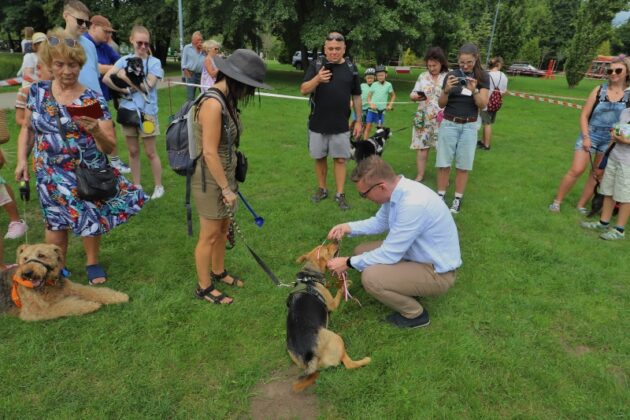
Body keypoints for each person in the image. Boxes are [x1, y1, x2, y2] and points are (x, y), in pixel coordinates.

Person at [14, 28, 148, 285]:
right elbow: (27, 129)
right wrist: (22, 160)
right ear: (50, 65)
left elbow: (110, 147)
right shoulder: (37, 92)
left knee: (88, 218)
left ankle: (92, 262)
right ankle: (56, 268)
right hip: (49, 173)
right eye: (60, 64)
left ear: (81, 64)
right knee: (54, 223)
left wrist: (96, 129)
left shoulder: (92, 98)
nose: (67, 71)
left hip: (83, 171)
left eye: (73, 64)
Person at [326, 156, 461, 329]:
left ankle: (415, 314)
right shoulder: (398, 191)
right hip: (417, 255)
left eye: (363, 194)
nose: (364, 198)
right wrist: (347, 227)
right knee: (361, 250)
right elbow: (379, 222)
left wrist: (347, 263)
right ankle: (406, 286)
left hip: (438, 272)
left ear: (381, 186)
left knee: (371, 278)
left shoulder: (413, 204)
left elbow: (390, 253)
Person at [192, 49, 272, 304]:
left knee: (223, 227)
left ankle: (218, 271)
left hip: (225, 172)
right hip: (210, 176)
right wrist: (226, 189)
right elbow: (209, 152)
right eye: (249, 87)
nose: (250, 93)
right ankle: (204, 287)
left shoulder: (227, 99)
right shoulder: (213, 104)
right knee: (210, 233)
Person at [549, 56, 630, 214]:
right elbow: (584, 115)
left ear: (627, 72)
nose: (613, 73)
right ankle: (556, 202)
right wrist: (586, 137)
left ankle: (581, 205)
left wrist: (621, 136)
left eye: (618, 70)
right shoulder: (599, 90)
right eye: (610, 70)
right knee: (577, 169)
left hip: (611, 140)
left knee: (597, 174)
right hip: (591, 134)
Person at [300, 32, 363, 211]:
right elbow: (303, 89)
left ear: (344, 49)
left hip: (341, 124)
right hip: (318, 123)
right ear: (325, 49)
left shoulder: (351, 68)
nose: (334, 52)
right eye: (330, 49)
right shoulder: (317, 65)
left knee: (340, 160)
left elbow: (357, 96)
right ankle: (322, 189)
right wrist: (318, 79)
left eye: (337, 49)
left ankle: (340, 194)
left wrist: (359, 120)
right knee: (319, 158)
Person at [103, 25, 165, 199]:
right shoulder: (124, 60)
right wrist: (123, 91)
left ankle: (159, 186)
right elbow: (107, 78)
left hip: (147, 113)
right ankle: (136, 185)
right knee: (132, 151)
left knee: (151, 152)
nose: (143, 47)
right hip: (128, 112)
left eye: (146, 43)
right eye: (140, 43)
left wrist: (124, 79)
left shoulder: (154, 62)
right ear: (131, 40)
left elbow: (147, 87)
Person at [436, 43, 489, 214]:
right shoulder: (451, 75)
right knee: (444, 162)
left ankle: (457, 199)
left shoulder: (483, 76)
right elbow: (441, 103)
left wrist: (474, 91)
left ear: (476, 58)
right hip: (449, 123)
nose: (465, 66)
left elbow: (483, 104)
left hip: (469, 125)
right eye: (461, 62)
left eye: (469, 62)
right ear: (457, 60)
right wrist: (446, 90)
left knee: (463, 165)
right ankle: (440, 196)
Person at [85, 14, 131, 174]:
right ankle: (110, 163)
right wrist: (112, 68)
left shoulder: (104, 46)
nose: (109, 35)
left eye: (110, 32)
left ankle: (108, 163)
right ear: (93, 27)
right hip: (87, 97)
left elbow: (123, 63)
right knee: (103, 130)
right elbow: (94, 68)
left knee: (105, 129)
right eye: (106, 31)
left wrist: (108, 68)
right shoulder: (84, 43)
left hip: (102, 96)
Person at [581, 107, 630, 240]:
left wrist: (626, 141)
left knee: (625, 197)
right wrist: (604, 158)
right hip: (614, 156)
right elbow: (617, 133)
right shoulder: (626, 112)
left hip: (627, 163)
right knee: (608, 191)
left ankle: (619, 230)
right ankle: (603, 222)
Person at [410, 47, 449, 182]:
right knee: (422, 147)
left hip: (442, 119)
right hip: (423, 117)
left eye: (434, 65)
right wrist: (415, 96)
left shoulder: (448, 76)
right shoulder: (422, 76)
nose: (431, 68)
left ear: (441, 63)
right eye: (429, 65)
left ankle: (444, 177)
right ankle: (420, 175)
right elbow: (413, 93)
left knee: (442, 149)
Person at [62, 0, 102, 95]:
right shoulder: (55, 44)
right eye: (80, 21)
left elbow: (95, 75)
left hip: (96, 100)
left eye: (87, 23)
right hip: (71, 102)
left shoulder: (90, 44)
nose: (84, 26)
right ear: (66, 16)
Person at [478, 56, 508, 151]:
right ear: (498, 64)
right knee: (487, 122)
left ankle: (486, 145)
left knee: (486, 123)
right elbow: (503, 92)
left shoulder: (485, 74)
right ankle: (483, 141)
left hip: (486, 102)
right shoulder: (503, 76)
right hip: (496, 103)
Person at [364, 65, 395, 139]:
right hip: (372, 110)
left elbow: (393, 96)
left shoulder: (388, 85)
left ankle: (378, 144)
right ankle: (365, 143)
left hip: (381, 112)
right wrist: (371, 104)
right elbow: (368, 97)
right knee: (368, 128)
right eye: (378, 75)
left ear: (386, 75)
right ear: (376, 76)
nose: (380, 77)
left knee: (379, 129)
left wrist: (390, 105)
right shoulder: (374, 84)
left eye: (382, 75)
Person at [181, 31, 205, 101]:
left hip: (202, 76)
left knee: (204, 96)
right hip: (191, 75)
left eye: (201, 40)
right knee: (190, 97)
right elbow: (183, 62)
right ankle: (189, 111)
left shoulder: (204, 49)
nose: (200, 41)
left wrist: (202, 50)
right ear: (193, 40)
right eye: (198, 40)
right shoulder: (187, 48)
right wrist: (186, 72)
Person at [350, 67, 375, 132]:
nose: (370, 79)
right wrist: (352, 101)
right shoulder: (362, 85)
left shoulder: (375, 86)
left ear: (374, 78)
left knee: (366, 122)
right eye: (368, 78)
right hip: (359, 107)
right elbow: (356, 95)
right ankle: (348, 130)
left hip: (368, 108)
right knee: (354, 120)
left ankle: (363, 134)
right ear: (365, 78)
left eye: (371, 78)